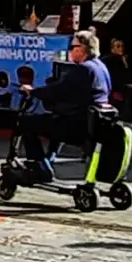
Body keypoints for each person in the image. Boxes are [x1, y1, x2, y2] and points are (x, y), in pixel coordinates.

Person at [16, 29, 111, 181]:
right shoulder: (101, 67)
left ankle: (39, 165)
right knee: (55, 117)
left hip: (77, 126)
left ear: (83, 49)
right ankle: (49, 160)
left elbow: (57, 90)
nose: (70, 51)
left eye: (73, 47)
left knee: (26, 122)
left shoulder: (83, 69)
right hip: (90, 124)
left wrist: (33, 91)